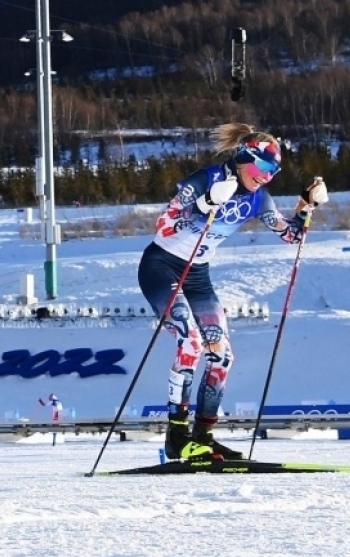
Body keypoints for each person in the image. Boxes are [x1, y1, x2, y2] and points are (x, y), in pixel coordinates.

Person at [137, 122, 329, 461]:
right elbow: (164, 225)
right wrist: (205, 203)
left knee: (222, 355)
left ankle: (204, 437)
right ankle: (177, 437)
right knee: (191, 342)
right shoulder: (207, 179)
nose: (266, 177)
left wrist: (306, 205)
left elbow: (291, 236)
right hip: (162, 266)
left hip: (197, 275)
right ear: (244, 157)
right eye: (263, 167)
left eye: (274, 172)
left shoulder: (258, 198)